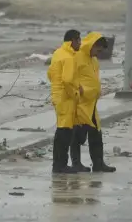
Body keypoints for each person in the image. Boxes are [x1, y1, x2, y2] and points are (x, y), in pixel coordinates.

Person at [70, 32, 116, 173]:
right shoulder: (76, 57)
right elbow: (69, 77)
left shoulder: (94, 60)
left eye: (101, 51)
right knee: (77, 135)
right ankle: (76, 164)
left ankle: (98, 163)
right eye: (98, 50)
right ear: (91, 45)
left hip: (92, 103)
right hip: (80, 104)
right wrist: (80, 92)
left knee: (96, 134)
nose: (99, 53)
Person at [47, 29, 82, 174]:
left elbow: (50, 73)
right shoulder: (68, 57)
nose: (80, 43)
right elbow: (67, 80)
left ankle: (59, 164)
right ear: (73, 41)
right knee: (65, 132)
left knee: (62, 130)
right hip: (66, 98)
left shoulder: (58, 53)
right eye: (79, 40)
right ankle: (60, 165)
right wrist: (75, 93)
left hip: (57, 96)